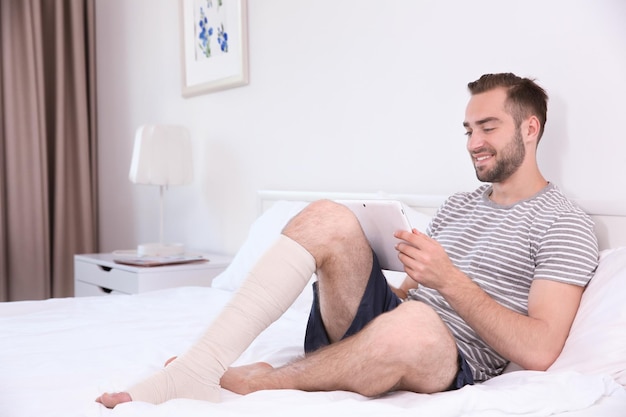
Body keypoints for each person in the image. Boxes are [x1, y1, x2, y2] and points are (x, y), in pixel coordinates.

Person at [97, 73, 598, 408]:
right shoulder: (459, 204)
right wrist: (400, 281)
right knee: (327, 216)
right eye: (467, 129)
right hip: (390, 325)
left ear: (530, 129)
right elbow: (409, 298)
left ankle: (255, 380)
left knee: (417, 324)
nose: (473, 143)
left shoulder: (564, 222)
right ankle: (204, 362)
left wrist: (447, 279)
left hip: (450, 355)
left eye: (488, 127)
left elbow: (540, 350)